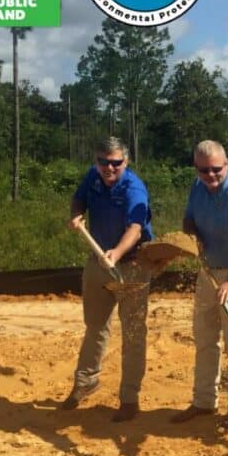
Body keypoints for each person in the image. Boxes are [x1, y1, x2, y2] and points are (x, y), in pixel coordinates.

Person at [62, 137, 154, 423]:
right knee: (95, 326)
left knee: (133, 333)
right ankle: (86, 381)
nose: (109, 168)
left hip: (133, 265)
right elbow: (79, 198)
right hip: (98, 262)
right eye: (104, 162)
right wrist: (77, 215)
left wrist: (117, 252)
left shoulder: (134, 188)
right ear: (96, 162)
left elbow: (136, 228)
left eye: (116, 163)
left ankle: (129, 398)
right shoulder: (93, 176)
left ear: (125, 162)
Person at [171, 140, 228, 427]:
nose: (210, 176)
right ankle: (203, 402)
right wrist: (191, 237)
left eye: (216, 170)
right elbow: (189, 220)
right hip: (208, 268)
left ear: (227, 165)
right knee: (205, 335)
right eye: (203, 170)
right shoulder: (198, 187)